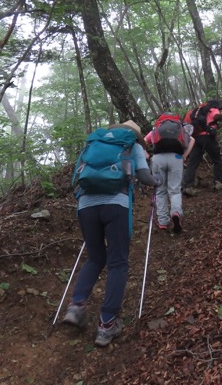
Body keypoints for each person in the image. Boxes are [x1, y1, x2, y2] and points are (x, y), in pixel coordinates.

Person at [62, 120, 159, 347]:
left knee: (95, 257)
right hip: (116, 205)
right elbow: (145, 177)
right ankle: (106, 325)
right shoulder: (131, 146)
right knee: (117, 262)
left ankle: (76, 307)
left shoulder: (93, 145)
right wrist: (157, 181)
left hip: (86, 205)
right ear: (134, 134)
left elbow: (77, 176)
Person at [144, 114, 194, 233]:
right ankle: (175, 212)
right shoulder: (180, 128)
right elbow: (192, 140)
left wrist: (147, 155)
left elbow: (144, 142)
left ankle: (163, 222)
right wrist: (184, 156)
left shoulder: (156, 129)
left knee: (160, 191)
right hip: (176, 158)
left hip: (157, 158)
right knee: (175, 190)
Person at [181, 100, 222, 195]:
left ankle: (187, 186)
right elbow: (216, 116)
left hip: (196, 138)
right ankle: (219, 182)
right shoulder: (212, 109)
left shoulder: (199, 111)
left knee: (193, 162)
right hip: (207, 136)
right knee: (217, 160)